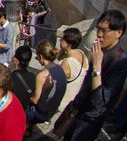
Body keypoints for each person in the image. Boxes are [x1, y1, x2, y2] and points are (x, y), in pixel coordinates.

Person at [63, 10, 127, 141]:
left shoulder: (121, 61)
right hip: (78, 110)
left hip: (90, 120)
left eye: (104, 31)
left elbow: (100, 104)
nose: (99, 34)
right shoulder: (100, 49)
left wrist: (97, 68)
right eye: (98, 29)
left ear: (118, 33)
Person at [27, 40, 67, 132]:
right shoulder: (60, 68)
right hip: (53, 109)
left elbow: (35, 100)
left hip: (41, 113)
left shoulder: (42, 75)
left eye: (37, 56)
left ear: (41, 56)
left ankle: (25, 129)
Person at [57, 27, 88, 115]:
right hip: (75, 98)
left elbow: (56, 82)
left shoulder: (67, 63)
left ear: (68, 44)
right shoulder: (81, 54)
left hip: (64, 103)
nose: (60, 40)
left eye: (62, 39)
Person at [11, 46, 36, 111]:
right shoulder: (33, 77)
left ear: (16, 60)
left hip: (12, 109)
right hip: (22, 111)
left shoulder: (13, 76)